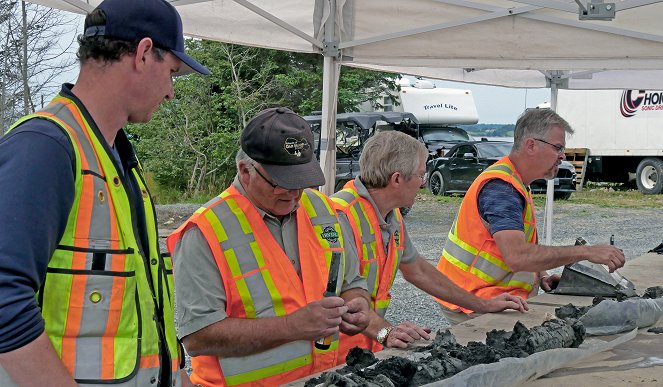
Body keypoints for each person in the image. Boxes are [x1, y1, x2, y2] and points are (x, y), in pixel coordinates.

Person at [0, 0, 209, 385]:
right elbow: (4, 299)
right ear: (144, 53)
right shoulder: (45, 147)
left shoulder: (116, 159)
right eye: (173, 74)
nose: (170, 93)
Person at [166, 107, 371, 386]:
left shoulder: (323, 209)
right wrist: (292, 327)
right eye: (280, 183)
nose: (293, 194)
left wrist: (357, 302)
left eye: (301, 181)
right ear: (245, 171)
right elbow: (198, 336)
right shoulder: (204, 232)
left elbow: (352, 282)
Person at [331, 130, 529, 359]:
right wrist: (385, 331)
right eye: (420, 176)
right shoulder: (339, 216)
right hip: (330, 354)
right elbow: (344, 294)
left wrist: (482, 304)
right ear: (396, 179)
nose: (423, 185)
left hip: (360, 350)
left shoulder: (391, 216)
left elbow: (419, 271)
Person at [435, 108, 626, 324]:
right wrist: (587, 252)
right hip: (476, 301)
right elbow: (517, 256)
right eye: (558, 147)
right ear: (531, 145)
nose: (562, 155)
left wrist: (540, 275)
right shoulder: (501, 188)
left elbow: (518, 247)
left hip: (493, 297)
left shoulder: (516, 182)